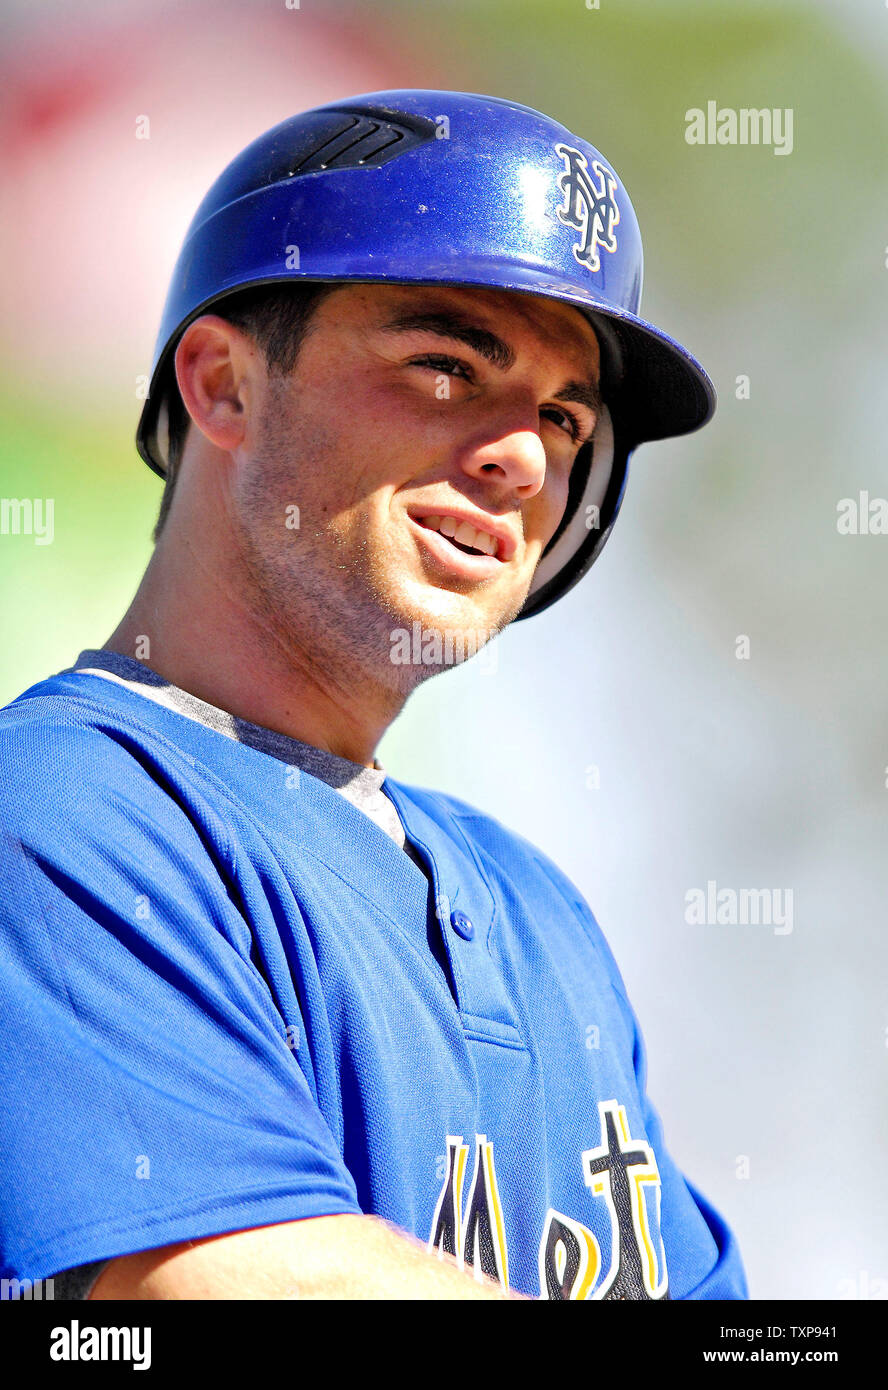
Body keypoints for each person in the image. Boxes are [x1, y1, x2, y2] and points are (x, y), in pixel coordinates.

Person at [0, 89, 747, 1301]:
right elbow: (211, 1286)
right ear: (223, 386)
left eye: (566, 415)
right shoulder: (63, 806)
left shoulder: (538, 908)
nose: (524, 455)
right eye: (447, 366)